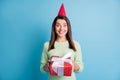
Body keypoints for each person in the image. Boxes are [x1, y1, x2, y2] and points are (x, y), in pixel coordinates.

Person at [40, 3, 84, 80]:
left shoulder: (75, 44)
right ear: (54, 27)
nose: (61, 29)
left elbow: (80, 68)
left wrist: (71, 64)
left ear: (68, 27)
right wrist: (47, 66)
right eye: (58, 25)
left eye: (64, 25)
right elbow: (42, 69)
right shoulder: (47, 45)